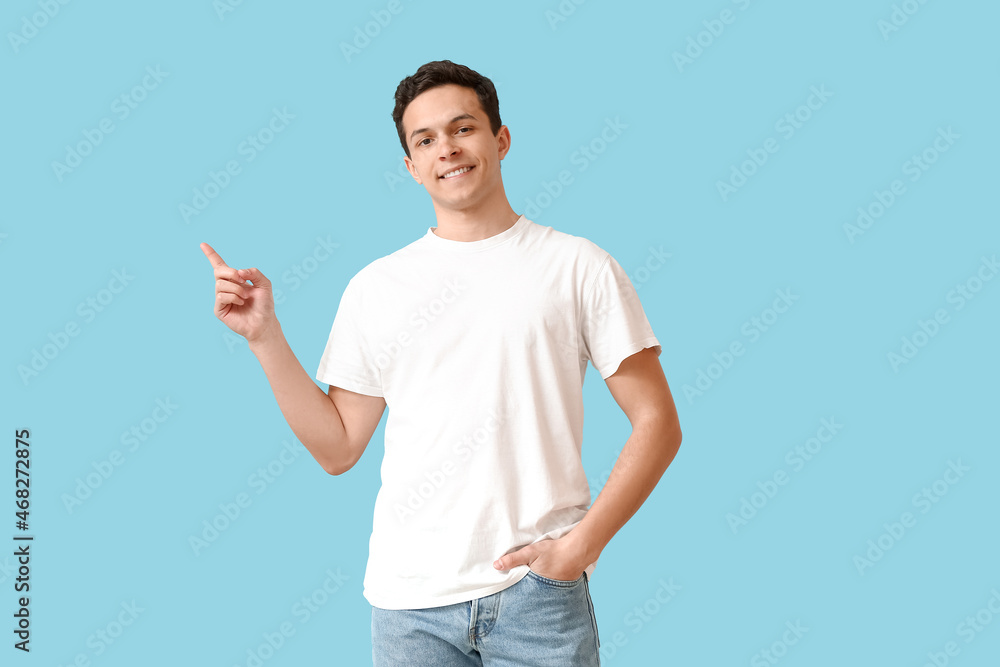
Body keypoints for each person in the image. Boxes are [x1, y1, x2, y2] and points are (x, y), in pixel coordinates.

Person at [201, 60, 682, 666]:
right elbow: (338, 448)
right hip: (409, 607)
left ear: (501, 139)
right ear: (410, 166)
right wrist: (265, 337)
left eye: (463, 129)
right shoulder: (377, 287)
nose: (446, 149)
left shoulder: (578, 266)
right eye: (425, 140)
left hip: (538, 594)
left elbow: (658, 421)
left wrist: (580, 547)